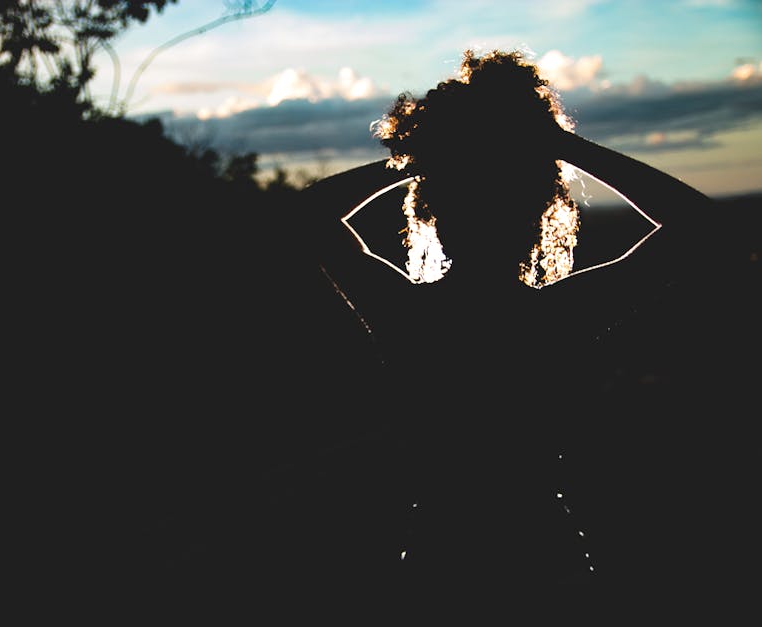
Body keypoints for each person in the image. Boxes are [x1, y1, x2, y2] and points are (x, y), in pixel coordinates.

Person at [285, 49, 756, 616]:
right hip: (547, 570)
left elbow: (305, 217)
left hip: (438, 575)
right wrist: (560, 147)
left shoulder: (407, 316)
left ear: (431, 213)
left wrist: (420, 159)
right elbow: (704, 227)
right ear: (539, 213)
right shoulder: (561, 316)